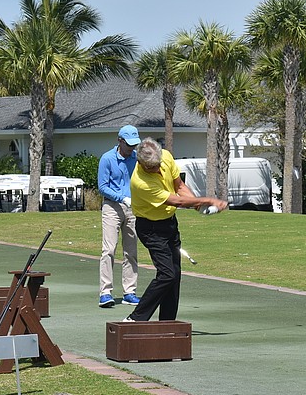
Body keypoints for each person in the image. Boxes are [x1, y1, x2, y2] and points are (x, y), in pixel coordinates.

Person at [124, 137, 227, 322]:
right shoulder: (140, 182)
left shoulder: (166, 157)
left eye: (157, 165)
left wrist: (197, 206)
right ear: (140, 163)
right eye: (151, 168)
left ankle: (167, 323)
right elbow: (177, 201)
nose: (156, 169)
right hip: (150, 228)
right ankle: (135, 318)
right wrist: (208, 201)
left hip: (169, 223)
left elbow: (179, 186)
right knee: (166, 274)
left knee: (175, 276)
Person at [97, 125, 142, 308]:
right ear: (120, 141)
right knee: (109, 249)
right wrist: (122, 197)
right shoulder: (107, 159)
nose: (132, 148)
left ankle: (129, 292)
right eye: (129, 144)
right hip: (112, 207)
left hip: (133, 208)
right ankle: (105, 292)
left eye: (134, 144)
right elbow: (102, 186)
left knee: (131, 251)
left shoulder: (137, 159)